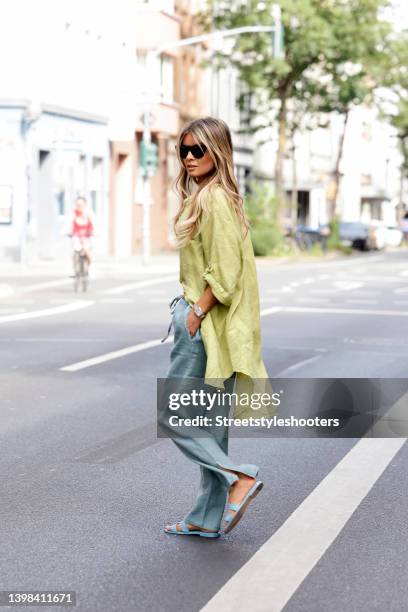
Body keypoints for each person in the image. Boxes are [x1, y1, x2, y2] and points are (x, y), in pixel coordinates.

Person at [159, 117, 272, 539]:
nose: (189, 157)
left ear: (218, 152)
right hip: (214, 328)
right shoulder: (210, 197)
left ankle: (239, 476)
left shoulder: (215, 201)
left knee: (173, 414)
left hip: (204, 325)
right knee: (209, 425)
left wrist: (195, 313)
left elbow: (224, 272)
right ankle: (205, 519)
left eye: (198, 150)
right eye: (183, 150)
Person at [66, 196, 95, 272]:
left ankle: (90, 265)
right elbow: (68, 225)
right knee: (72, 251)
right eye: (77, 205)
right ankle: (73, 269)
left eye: (81, 205)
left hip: (87, 237)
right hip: (76, 237)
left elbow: (94, 225)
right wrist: (67, 231)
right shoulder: (72, 214)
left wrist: (94, 232)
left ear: (85, 205)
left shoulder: (89, 214)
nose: (79, 207)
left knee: (87, 250)